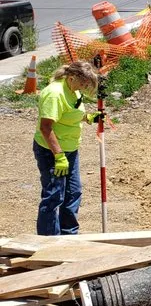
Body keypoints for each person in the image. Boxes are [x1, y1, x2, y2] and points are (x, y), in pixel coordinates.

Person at [33, 60, 102, 236]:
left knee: (73, 192)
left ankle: (69, 235)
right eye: (84, 83)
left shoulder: (74, 89)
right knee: (54, 196)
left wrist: (88, 117)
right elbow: (45, 127)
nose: (85, 87)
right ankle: (49, 241)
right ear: (72, 78)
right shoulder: (55, 95)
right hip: (52, 151)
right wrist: (59, 156)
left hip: (70, 149)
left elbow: (70, 113)